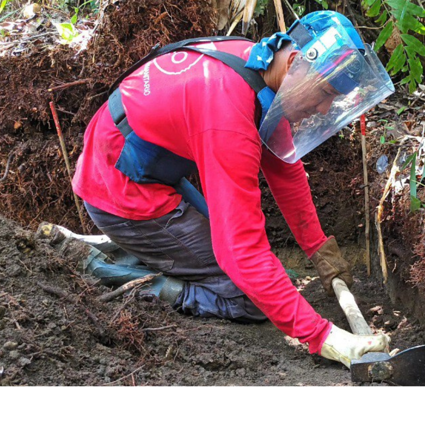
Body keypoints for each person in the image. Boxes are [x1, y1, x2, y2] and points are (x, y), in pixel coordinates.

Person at [72, 11, 395, 368]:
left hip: (143, 170)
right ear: (294, 63)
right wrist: (325, 338)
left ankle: (135, 249)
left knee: (262, 277)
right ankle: (110, 269)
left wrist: (320, 250)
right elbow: (240, 251)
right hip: (121, 194)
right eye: (325, 93)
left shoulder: (255, 66)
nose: (323, 108)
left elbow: (285, 172)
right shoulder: (227, 118)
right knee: (249, 297)